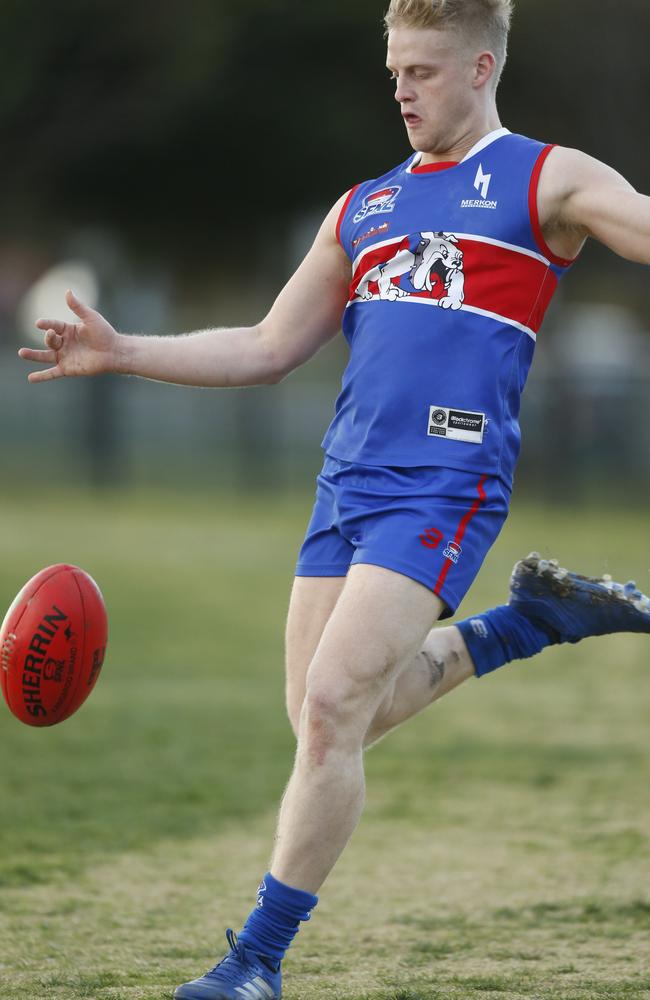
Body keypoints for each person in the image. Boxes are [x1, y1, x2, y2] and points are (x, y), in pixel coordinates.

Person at [19, 1, 650, 997]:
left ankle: (252, 962)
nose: (400, 89)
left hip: (446, 478)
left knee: (328, 708)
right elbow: (269, 347)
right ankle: (527, 624)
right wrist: (121, 350)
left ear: (481, 66)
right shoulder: (362, 207)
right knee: (326, 720)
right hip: (346, 479)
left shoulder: (546, 178)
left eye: (423, 71)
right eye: (393, 70)